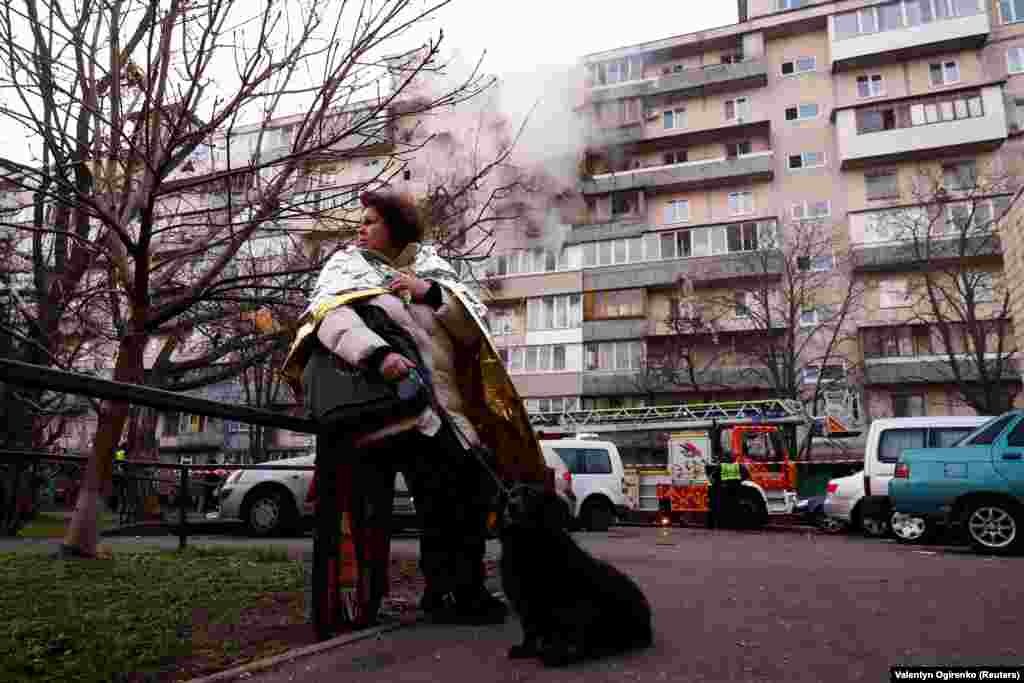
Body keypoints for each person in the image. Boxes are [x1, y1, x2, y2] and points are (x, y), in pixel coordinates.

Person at [282, 191, 548, 636]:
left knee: (462, 498)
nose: (360, 230)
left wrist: (429, 292)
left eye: (370, 221)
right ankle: (371, 603)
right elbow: (329, 321)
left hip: (443, 412)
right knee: (380, 509)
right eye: (359, 222)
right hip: (381, 411)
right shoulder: (345, 267)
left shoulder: (432, 269)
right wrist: (378, 354)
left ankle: (456, 592)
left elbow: (469, 335)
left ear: (396, 226)